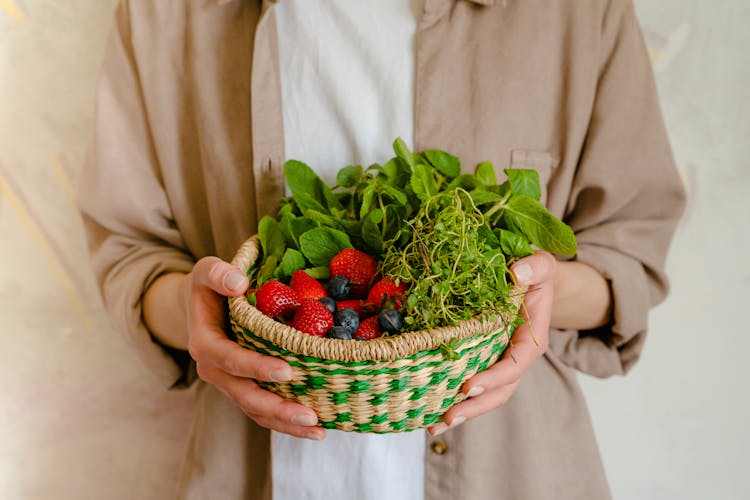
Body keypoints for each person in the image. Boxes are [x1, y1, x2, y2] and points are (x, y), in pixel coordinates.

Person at [77, 0, 686, 499]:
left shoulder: (576, 12)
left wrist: (535, 290)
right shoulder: (165, 13)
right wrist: (196, 310)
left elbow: (627, 257)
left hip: (511, 469)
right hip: (247, 469)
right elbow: (131, 252)